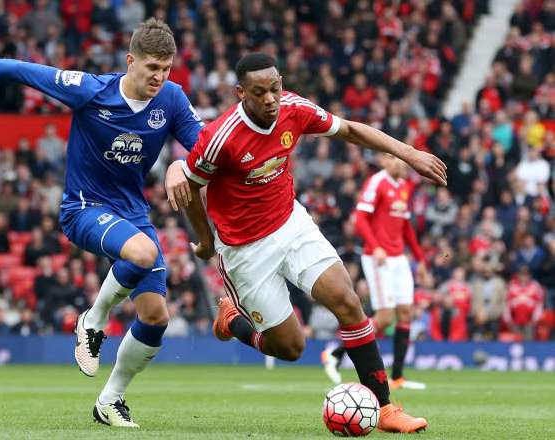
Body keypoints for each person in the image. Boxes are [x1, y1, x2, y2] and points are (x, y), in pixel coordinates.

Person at [0, 18, 202, 428]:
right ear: (130, 61)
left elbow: (206, 148)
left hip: (132, 214)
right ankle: (94, 320)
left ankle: (110, 400)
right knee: (143, 251)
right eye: (152, 67)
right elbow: (20, 70)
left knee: (156, 318)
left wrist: (181, 166)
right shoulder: (90, 90)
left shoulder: (171, 98)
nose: (160, 77)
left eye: (166, 68)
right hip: (84, 208)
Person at [166, 53, 446, 433]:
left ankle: (385, 409)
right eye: (259, 92)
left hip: (291, 224)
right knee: (290, 348)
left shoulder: (294, 109)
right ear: (241, 93)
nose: (270, 99)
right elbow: (191, 187)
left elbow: (350, 130)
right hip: (245, 250)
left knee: (347, 300)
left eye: (275, 88)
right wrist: (204, 240)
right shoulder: (220, 137)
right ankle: (232, 321)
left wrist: (408, 153)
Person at [323, 154, 428, 390]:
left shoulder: (404, 186)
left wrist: (420, 259)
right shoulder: (377, 182)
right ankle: (335, 354)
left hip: (399, 258)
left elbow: (406, 228)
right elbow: (360, 219)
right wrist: (376, 246)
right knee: (385, 317)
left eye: (403, 159)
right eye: (396, 158)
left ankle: (398, 377)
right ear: (385, 161)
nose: (401, 163)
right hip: (378, 258)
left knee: (406, 313)